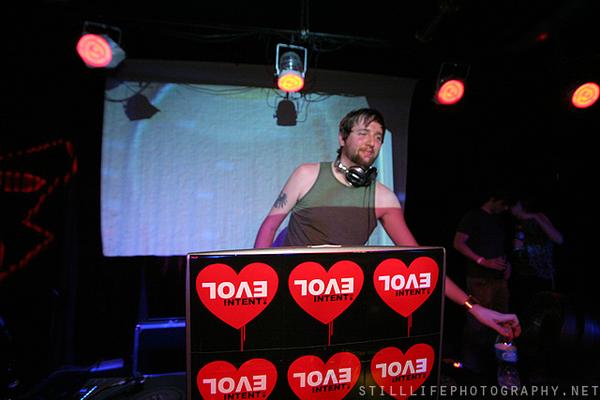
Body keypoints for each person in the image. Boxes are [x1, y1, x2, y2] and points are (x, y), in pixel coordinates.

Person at [255, 108, 520, 340]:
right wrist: (261, 290)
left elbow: (422, 262)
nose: (372, 142)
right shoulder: (306, 174)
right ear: (342, 138)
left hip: (337, 303)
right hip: (288, 297)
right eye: (363, 133)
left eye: (378, 137)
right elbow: (269, 227)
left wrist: (475, 308)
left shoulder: (383, 198)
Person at [453, 189, 514, 379]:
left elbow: (499, 247)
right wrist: (482, 261)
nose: (505, 208)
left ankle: (494, 368)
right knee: (477, 324)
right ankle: (471, 370)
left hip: (499, 279)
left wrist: (508, 265)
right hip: (480, 279)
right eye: (503, 204)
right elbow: (458, 243)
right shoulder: (473, 216)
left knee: (502, 323)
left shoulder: (498, 220)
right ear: (493, 199)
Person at [509, 193, 563, 316]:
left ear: (520, 204)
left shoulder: (539, 217)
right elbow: (516, 249)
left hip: (542, 274)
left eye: (513, 205)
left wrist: (536, 217)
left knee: (543, 311)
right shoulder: (513, 222)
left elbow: (559, 239)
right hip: (522, 274)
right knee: (524, 311)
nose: (509, 209)